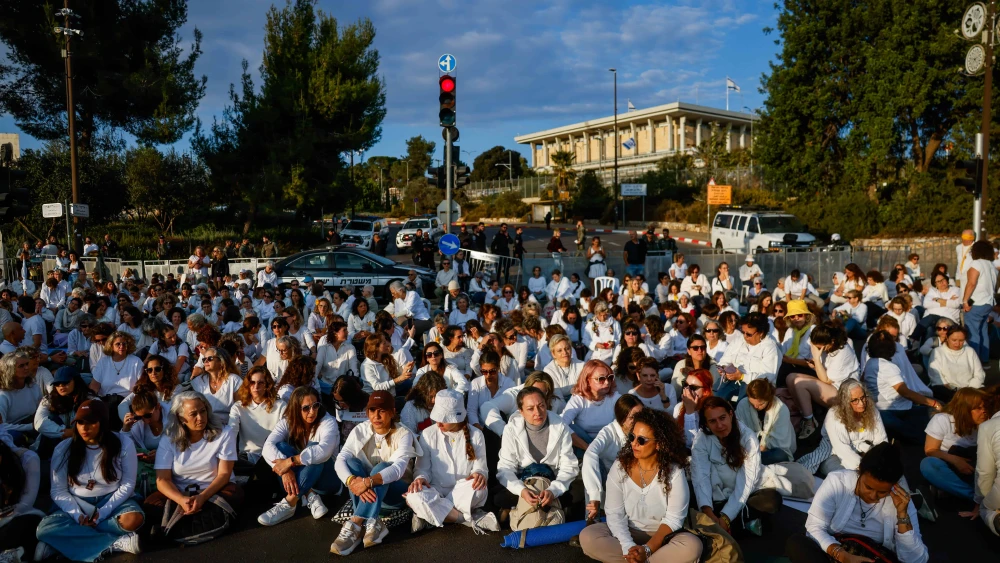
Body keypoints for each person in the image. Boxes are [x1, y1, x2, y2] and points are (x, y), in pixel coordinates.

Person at [580, 409, 703, 563]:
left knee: (692, 546)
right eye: (632, 437)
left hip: (663, 537)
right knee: (588, 536)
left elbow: (674, 520)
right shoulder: (620, 467)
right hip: (627, 532)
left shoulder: (674, 472)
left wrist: (647, 549)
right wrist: (628, 546)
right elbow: (614, 514)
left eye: (642, 440)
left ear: (659, 444)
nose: (634, 443)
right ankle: (638, 559)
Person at [35, 400, 143, 561]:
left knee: (133, 519)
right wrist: (77, 515)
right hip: (76, 501)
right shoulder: (63, 448)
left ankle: (61, 542)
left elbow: (128, 484)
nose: (84, 428)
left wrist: (103, 512)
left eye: (91, 422)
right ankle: (113, 543)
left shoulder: (123, 443)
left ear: (103, 423)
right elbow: (58, 491)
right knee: (43, 530)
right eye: (79, 422)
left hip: (112, 500)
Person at [785, 443, 928, 563]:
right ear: (859, 471)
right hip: (837, 553)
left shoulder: (901, 502)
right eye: (868, 487)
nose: (873, 495)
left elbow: (917, 559)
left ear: (894, 485)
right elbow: (814, 527)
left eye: (882, 492)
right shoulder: (838, 482)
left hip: (873, 557)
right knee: (797, 543)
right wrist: (841, 554)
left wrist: (902, 515)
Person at [144, 391, 242, 541]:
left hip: (214, 490)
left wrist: (202, 497)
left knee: (235, 493)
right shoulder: (168, 439)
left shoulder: (224, 433)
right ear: (181, 418)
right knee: (149, 504)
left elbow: (224, 474)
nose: (200, 418)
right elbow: (162, 480)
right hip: (181, 492)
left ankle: (176, 525)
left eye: (203, 411)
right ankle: (197, 520)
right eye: (193, 414)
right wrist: (181, 500)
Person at [331, 390, 416, 556]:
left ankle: (355, 522)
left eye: (382, 411)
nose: (376, 416)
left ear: (392, 412)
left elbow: (398, 469)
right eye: (372, 410)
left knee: (383, 466)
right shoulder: (360, 430)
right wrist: (351, 480)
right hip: (370, 493)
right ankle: (373, 521)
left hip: (395, 494)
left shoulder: (404, 433)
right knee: (351, 463)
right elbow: (341, 459)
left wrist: (367, 482)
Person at [406, 389, 498, 533]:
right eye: (438, 417)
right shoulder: (428, 434)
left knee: (479, 489)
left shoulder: (476, 434)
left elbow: (481, 468)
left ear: (457, 418)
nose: (438, 422)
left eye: (444, 419)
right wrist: (420, 478)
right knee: (413, 495)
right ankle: (465, 518)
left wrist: (480, 474)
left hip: (464, 490)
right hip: (436, 489)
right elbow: (422, 469)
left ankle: (430, 515)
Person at [692, 396, 782, 535]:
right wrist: (707, 511)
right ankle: (743, 526)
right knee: (690, 495)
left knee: (771, 501)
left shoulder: (748, 438)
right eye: (712, 421)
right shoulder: (701, 440)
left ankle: (724, 527)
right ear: (707, 424)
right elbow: (701, 476)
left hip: (745, 495)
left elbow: (745, 482)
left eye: (722, 418)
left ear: (730, 414)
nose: (720, 425)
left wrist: (726, 517)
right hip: (716, 495)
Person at [257, 387, 340, 526]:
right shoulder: (287, 421)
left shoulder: (328, 421)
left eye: (315, 406)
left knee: (315, 451)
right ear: (296, 408)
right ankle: (309, 494)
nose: (312, 411)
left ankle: (290, 503)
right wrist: (285, 471)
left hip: (329, 479)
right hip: (303, 476)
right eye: (306, 408)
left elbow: (324, 451)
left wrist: (290, 462)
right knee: (280, 446)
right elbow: (268, 446)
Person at [494, 386, 579, 520]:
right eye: (530, 408)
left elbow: (568, 465)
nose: (538, 412)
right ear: (520, 411)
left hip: (552, 480)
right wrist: (521, 491)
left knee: (577, 494)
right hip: (524, 480)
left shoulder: (561, 426)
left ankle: (521, 509)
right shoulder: (510, 430)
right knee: (498, 497)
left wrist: (553, 490)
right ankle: (549, 508)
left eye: (541, 406)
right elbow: (506, 467)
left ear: (546, 405)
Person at [863, 330, 941, 444]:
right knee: (934, 414)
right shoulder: (888, 367)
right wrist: (933, 403)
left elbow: (863, 381)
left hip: (881, 410)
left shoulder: (870, 362)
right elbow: (905, 392)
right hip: (896, 410)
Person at [788, 322, 860, 440]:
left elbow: (826, 380)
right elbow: (824, 371)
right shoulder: (828, 347)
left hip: (844, 394)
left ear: (831, 341)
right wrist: (816, 364)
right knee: (791, 378)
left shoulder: (843, 351)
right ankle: (806, 414)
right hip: (832, 386)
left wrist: (816, 358)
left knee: (801, 384)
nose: (818, 350)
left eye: (820, 348)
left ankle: (810, 422)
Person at [919, 387, 987, 503]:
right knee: (928, 464)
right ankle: (975, 497)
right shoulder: (942, 419)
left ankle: (951, 491)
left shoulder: (987, 423)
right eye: (978, 408)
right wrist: (956, 461)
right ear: (965, 409)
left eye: (985, 407)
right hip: (949, 464)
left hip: (976, 467)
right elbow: (930, 450)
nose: (984, 411)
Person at [582, 394, 643, 520]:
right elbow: (590, 454)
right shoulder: (608, 432)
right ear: (622, 419)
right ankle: (593, 520)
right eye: (633, 417)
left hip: (636, 481)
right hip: (611, 483)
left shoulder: (645, 428)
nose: (639, 420)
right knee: (595, 462)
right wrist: (594, 495)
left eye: (641, 415)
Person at [819, 379, 888, 475]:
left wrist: (879, 460)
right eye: (855, 400)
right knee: (849, 477)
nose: (861, 403)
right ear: (845, 402)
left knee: (890, 470)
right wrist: (867, 468)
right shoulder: (834, 416)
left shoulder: (872, 410)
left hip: (867, 451)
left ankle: (908, 491)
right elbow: (843, 450)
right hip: (835, 454)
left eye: (863, 397)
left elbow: (881, 440)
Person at [717, 313, 783, 403]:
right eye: (743, 332)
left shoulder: (770, 348)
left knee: (743, 404)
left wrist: (743, 376)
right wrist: (724, 368)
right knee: (716, 398)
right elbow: (725, 358)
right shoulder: (739, 339)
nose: (744, 336)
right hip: (734, 379)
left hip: (755, 385)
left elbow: (767, 377)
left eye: (748, 334)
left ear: (761, 333)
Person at [562, 360, 622, 451]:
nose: (607, 382)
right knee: (568, 427)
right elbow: (562, 423)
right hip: (584, 445)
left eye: (609, 378)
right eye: (601, 379)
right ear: (587, 380)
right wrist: (589, 449)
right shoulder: (579, 399)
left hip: (609, 443)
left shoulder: (615, 397)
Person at [736, 379, 796, 465]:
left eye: (761, 404)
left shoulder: (781, 409)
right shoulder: (743, 405)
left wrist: (763, 447)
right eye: (752, 404)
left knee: (779, 456)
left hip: (771, 450)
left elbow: (781, 442)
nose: (756, 407)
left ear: (769, 398)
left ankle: (747, 463)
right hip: (749, 448)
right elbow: (740, 431)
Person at [927, 325, 985, 402]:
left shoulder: (970, 351)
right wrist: (944, 384)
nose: (957, 344)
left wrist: (969, 389)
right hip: (947, 390)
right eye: (954, 340)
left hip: (969, 389)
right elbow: (935, 374)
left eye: (961, 340)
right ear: (947, 338)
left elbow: (979, 374)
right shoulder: (938, 352)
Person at [962, 240, 997, 363]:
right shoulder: (991, 265)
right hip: (988, 303)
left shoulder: (977, 264)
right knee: (983, 332)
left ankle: (975, 362)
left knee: (972, 333)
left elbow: (971, 283)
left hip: (976, 303)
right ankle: (985, 360)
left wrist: (965, 301)